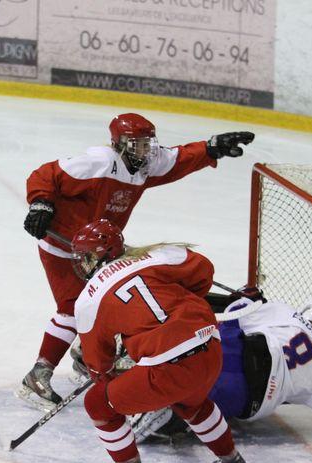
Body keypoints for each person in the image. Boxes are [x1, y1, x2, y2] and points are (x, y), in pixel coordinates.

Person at [18, 113, 255, 408]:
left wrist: (210, 148)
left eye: (147, 144)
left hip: (100, 247)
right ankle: (38, 374)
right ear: (119, 144)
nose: (145, 151)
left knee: (116, 298)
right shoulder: (99, 162)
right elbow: (45, 174)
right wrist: (40, 202)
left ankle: (84, 356)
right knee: (72, 310)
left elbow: (178, 159)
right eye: (137, 144)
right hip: (63, 246)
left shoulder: (147, 165)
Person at [71, 219, 253, 463]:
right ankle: (232, 460)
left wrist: (122, 375)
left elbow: (99, 367)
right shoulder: (156, 255)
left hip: (169, 367)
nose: (82, 265)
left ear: (99, 254)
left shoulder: (88, 299)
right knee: (191, 403)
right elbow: (204, 271)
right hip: (211, 347)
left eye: (85, 258)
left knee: (97, 402)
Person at [133, 292, 312, 442]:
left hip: (238, 355)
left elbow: (234, 314)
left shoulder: (287, 314)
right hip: (249, 400)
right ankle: (176, 417)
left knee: (215, 334)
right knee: (206, 406)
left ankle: (159, 363)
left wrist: (244, 299)